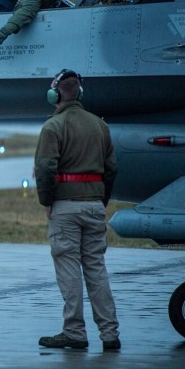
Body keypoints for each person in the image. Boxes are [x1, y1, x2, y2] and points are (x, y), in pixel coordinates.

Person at [34, 69, 121, 351]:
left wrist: (46, 200)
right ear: (79, 93)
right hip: (95, 205)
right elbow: (112, 169)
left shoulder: (53, 127)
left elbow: (46, 168)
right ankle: (109, 333)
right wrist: (100, 200)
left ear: (55, 94)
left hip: (65, 208)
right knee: (96, 269)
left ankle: (74, 331)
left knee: (69, 268)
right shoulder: (100, 126)